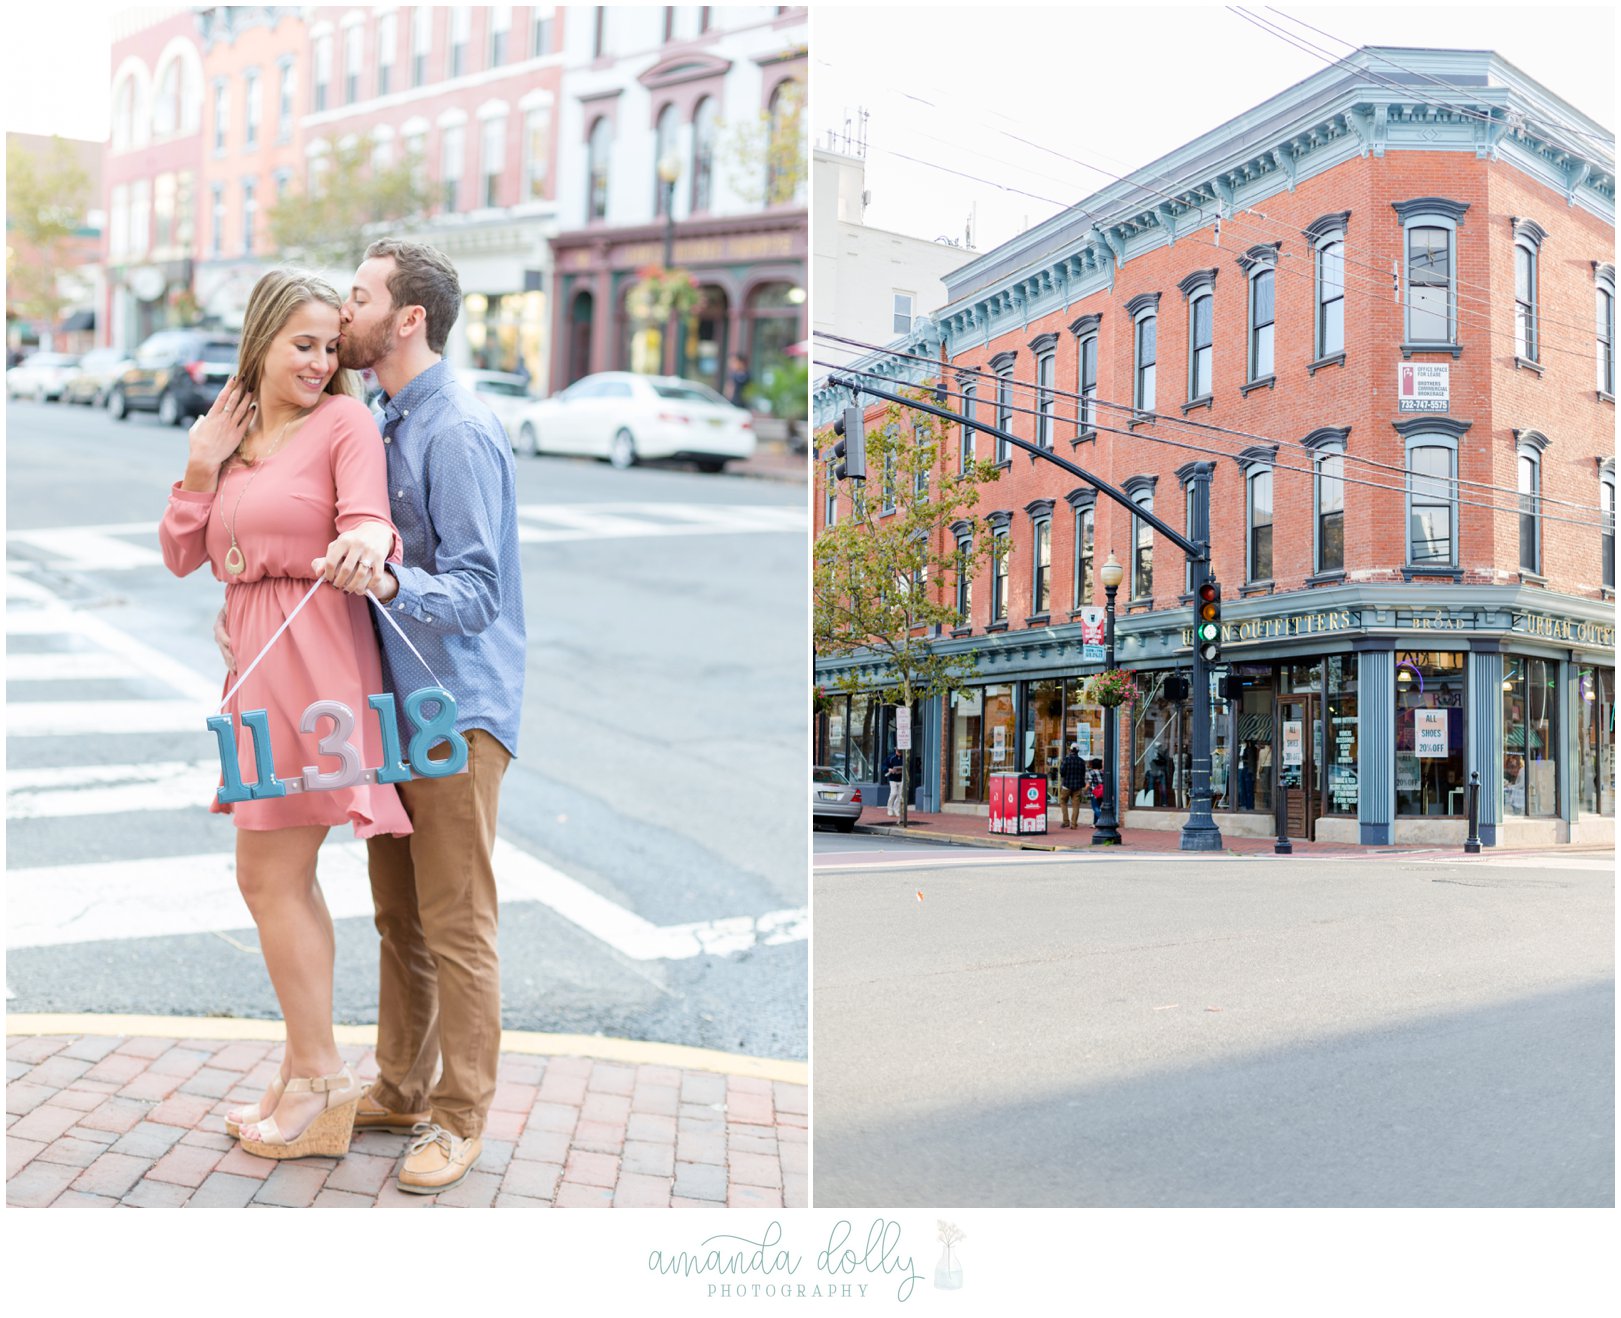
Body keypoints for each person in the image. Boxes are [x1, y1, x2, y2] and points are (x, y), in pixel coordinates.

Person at [161, 269, 409, 1162]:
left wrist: (370, 541)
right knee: (280, 878)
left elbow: (368, 518)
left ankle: (317, 1079)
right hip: (253, 669)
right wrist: (199, 467)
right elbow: (183, 554)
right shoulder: (231, 433)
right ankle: (308, 1069)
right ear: (261, 341)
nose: (319, 361)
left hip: (312, 667)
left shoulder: (343, 423)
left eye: (329, 347)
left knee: (267, 877)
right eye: (302, 344)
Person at [319, 238, 525, 1194]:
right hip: (391, 703)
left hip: (456, 707)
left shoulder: (455, 430)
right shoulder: (380, 420)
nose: (342, 310)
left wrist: (394, 578)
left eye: (357, 297)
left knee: (456, 921)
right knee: (398, 918)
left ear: (409, 318)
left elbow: (480, 592)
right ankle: (400, 1087)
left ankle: (458, 1115)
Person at [1057, 743, 1086, 828]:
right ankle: (1073, 824)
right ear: (1078, 751)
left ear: (1070, 750)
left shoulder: (1066, 760)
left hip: (1067, 785)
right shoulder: (1081, 761)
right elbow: (1083, 774)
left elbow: (1062, 772)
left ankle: (1066, 821)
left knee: (1063, 802)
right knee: (1076, 805)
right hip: (1078, 786)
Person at [884, 748, 905, 817]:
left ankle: (896, 809)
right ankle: (889, 809)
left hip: (901, 778)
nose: (899, 751)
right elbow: (884, 766)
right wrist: (889, 769)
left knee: (900, 795)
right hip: (892, 778)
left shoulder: (904, 758)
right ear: (896, 750)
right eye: (898, 750)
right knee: (893, 793)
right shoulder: (891, 757)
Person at [1087, 757, 1106, 827]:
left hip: (1094, 793)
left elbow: (1089, 784)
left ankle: (1103, 820)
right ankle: (1095, 823)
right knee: (1098, 807)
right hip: (1102, 792)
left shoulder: (1091, 772)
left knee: (1095, 808)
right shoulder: (1103, 772)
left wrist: (1085, 790)